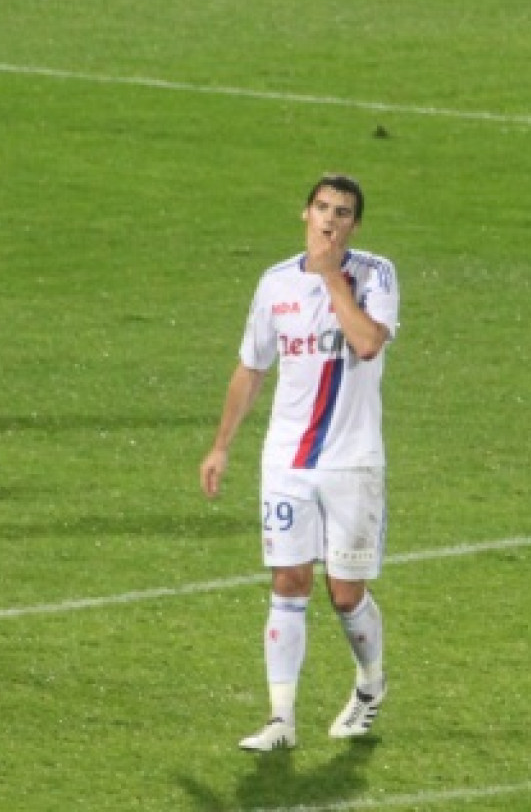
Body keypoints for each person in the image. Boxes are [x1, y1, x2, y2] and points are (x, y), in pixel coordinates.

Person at [199, 175, 399, 751]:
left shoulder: (375, 275)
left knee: (344, 594)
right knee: (288, 581)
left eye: (343, 212)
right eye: (322, 209)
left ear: (355, 225)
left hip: (352, 463)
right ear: (304, 213)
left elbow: (366, 343)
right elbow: (251, 367)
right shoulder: (274, 283)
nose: (330, 220)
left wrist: (332, 276)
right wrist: (221, 446)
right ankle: (281, 720)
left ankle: (370, 683)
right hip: (286, 460)